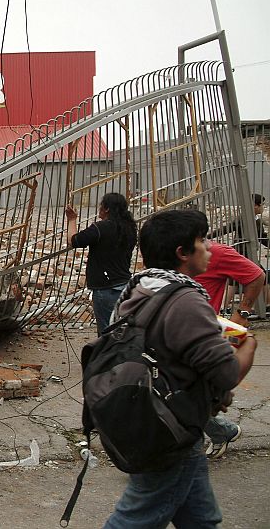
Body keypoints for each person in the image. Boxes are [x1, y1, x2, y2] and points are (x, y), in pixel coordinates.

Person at [103, 209, 255, 528]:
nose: (209, 247)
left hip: (151, 417)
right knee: (135, 519)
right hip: (170, 426)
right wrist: (249, 346)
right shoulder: (185, 300)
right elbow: (227, 374)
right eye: (202, 240)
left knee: (201, 519)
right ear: (182, 252)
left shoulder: (139, 288)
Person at [194, 241, 264, 459]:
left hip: (203, 335)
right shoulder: (168, 251)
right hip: (178, 331)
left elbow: (256, 275)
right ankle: (221, 431)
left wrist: (242, 313)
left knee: (187, 392)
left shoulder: (216, 252)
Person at [64, 193, 137, 335]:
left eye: (101, 205)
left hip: (106, 288)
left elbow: (74, 241)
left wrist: (72, 219)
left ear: (107, 208)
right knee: (122, 330)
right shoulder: (129, 228)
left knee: (107, 333)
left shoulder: (100, 228)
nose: (99, 208)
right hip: (125, 285)